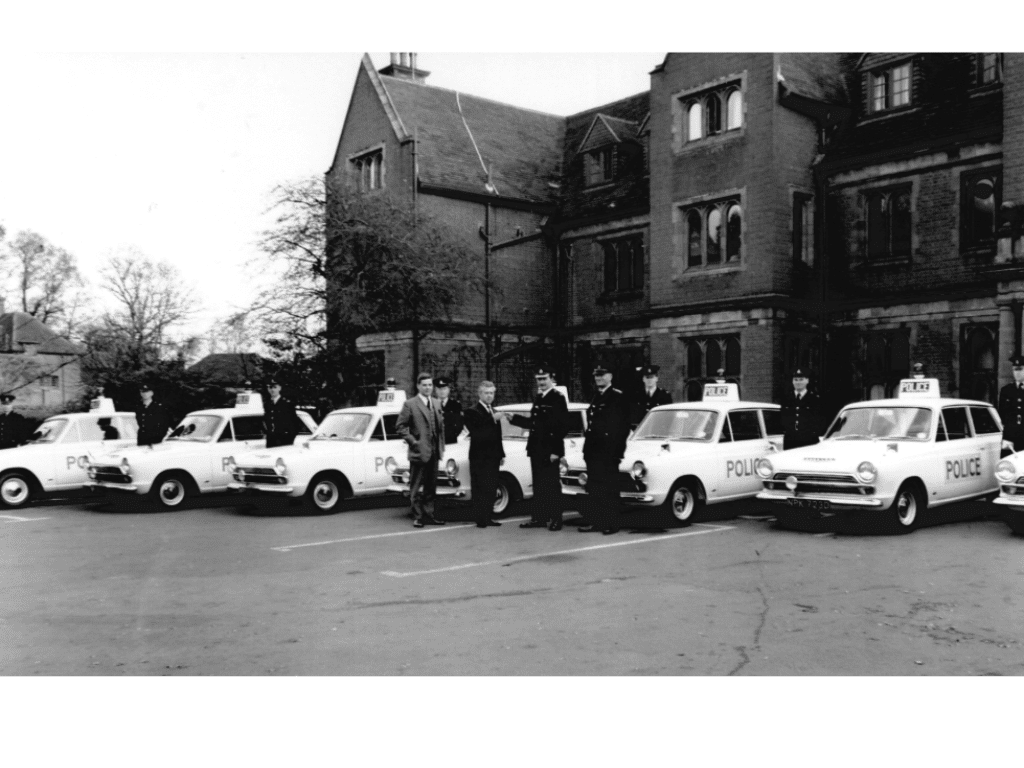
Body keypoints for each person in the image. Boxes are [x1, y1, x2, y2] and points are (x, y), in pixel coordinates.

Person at [508, 367, 569, 531]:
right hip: (536, 448)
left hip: (550, 450)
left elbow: (562, 426)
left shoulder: (557, 398)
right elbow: (534, 423)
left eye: (544, 378)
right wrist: (513, 419)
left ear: (551, 379)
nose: (541, 382)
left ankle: (556, 519)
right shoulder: (539, 397)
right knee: (539, 485)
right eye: (539, 379)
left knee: (552, 486)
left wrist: (556, 451)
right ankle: (539, 518)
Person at [580, 365, 631, 535]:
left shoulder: (617, 397)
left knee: (609, 488)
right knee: (595, 488)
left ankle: (612, 523)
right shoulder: (597, 396)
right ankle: (597, 522)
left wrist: (617, 452)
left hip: (608, 452)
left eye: (602, 375)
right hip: (593, 451)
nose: (598, 378)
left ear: (610, 376)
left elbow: (623, 427)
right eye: (596, 375)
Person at [396, 372, 446, 528]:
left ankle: (430, 514)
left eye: (430, 385)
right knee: (416, 486)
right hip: (419, 451)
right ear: (418, 386)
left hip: (434, 451)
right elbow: (400, 427)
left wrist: (441, 446)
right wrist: (413, 442)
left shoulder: (437, 403)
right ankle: (417, 516)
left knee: (431, 485)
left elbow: (440, 428)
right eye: (424, 385)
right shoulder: (410, 404)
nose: (427, 388)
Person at [463, 381, 504, 528]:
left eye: (492, 393)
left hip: (493, 456)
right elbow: (476, 431)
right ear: (480, 394)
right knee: (480, 487)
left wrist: (501, 454)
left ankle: (488, 516)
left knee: (491, 487)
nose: (489, 396)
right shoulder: (472, 411)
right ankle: (480, 518)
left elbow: (498, 435)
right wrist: (492, 419)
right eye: (486, 393)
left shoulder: (494, 410)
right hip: (479, 457)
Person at [779, 367, 824, 450]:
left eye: (801, 379)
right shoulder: (786, 399)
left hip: (809, 441)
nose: (798, 382)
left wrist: (814, 433)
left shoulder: (814, 399)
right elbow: (782, 418)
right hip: (790, 441)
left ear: (807, 381)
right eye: (795, 380)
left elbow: (819, 420)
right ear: (792, 381)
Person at [999, 355, 1024, 454]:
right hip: (1010, 437)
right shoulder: (1006, 390)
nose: (1017, 373)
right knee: (1008, 466)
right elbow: (1002, 413)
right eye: (1015, 370)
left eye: (1020, 369)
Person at [264, 378, 299, 448]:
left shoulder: (287, 403)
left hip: (284, 440)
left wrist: (290, 437)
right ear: (268, 389)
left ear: (279, 388)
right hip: (271, 440)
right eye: (270, 387)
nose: (272, 390)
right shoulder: (267, 404)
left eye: (275, 387)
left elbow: (295, 423)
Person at [136, 382, 170, 447]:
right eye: (142, 392)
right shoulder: (139, 408)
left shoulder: (159, 408)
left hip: (155, 441)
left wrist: (157, 439)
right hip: (141, 440)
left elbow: (164, 426)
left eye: (147, 391)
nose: (144, 394)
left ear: (152, 393)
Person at [435, 377, 464, 445]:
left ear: (448, 390)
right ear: (436, 390)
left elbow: (460, 424)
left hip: (451, 441)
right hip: (435, 442)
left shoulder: (456, 405)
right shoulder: (431, 405)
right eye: (440, 389)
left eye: (444, 389)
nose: (442, 391)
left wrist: (453, 435)